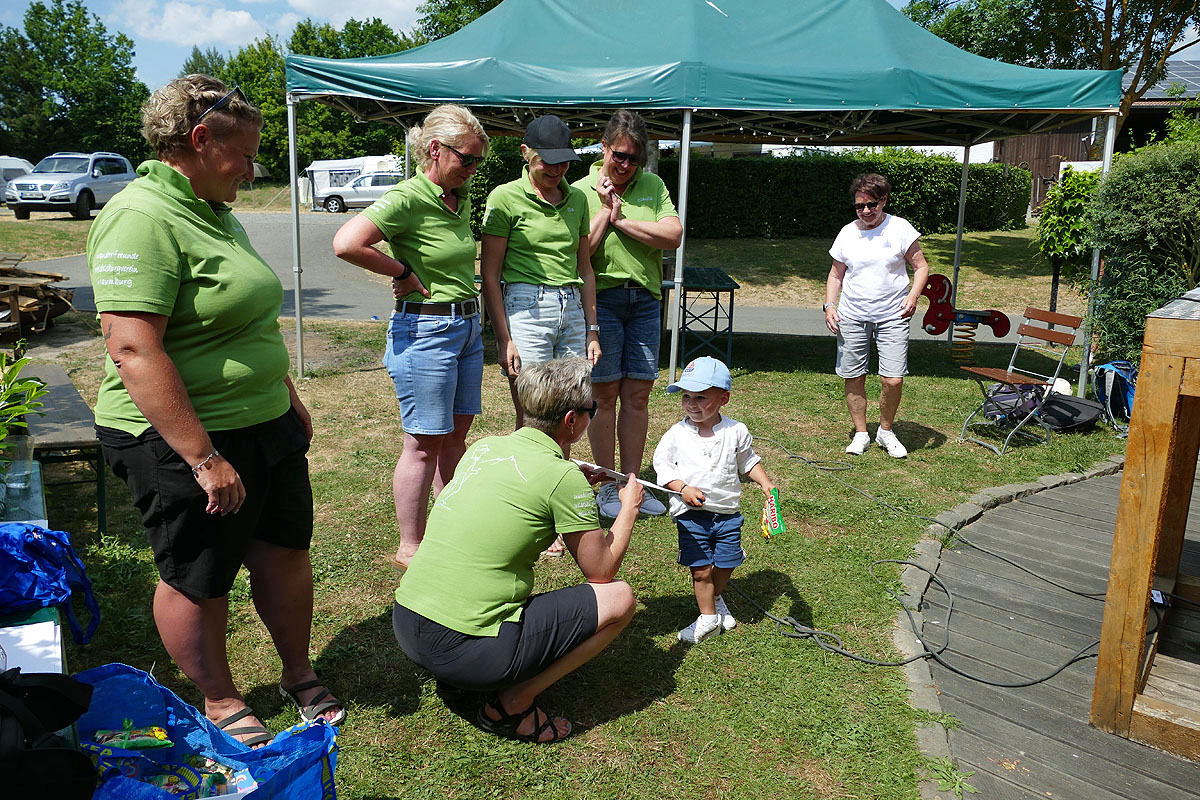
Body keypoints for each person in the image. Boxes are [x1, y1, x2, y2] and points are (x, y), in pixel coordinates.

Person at [87, 74, 343, 747]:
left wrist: (286, 397)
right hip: (183, 437)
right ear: (200, 141)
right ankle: (221, 696)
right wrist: (202, 456)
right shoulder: (142, 215)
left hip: (265, 424)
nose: (254, 169)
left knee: (285, 550)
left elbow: (245, 321)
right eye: (246, 154)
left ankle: (297, 671)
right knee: (199, 575)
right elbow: (133, 347)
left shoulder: (216, 210)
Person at [391, 358, 641, 744]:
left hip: (407, 625)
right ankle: (513, 704)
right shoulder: (562, 477)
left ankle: (463, 680)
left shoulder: (484, 447)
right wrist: (628, 509)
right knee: (620, 597)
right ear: (572, 421)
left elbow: (523, 485)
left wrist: (570, 477)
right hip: (464, 649)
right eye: (591, 410)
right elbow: (601, 571)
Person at [332, 104, 489, 569]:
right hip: (427, 330)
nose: (473, 169)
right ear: (435, 151)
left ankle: (450, 527)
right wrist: (400, 269)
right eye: (468, 159)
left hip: (465, 329)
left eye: (478, 160)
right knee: (423, 442)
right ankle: (411, 546)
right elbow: (347, 242)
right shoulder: (408, 196)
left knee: (455, 436)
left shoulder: (453, 200)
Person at [573, 110, 682, 519]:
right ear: (604, 147)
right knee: (602, 396)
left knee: (637, 395)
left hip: (646, 303)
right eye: (619, 155)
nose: (625, 166)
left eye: (634, 159)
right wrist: (605, 211)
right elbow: (583, 251)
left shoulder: (652, 184)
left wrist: (622, 219)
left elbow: (672, 235)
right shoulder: (580, 188)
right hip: (603, 301)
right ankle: (605, 484)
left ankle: (631, 483)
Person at [480, 114, 601, 429]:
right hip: (526, 307)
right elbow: (490, 276)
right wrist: (504, 339)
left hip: (572, 308)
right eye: (547, 161)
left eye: (563, 162)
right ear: (525, 152)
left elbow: (585, 269)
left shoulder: (577, 199)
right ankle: (529, 478)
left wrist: (592, 330)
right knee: (533, 410)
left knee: (572, 412)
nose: (556, 169)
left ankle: (558, 477)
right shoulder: (504, 198)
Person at [652, 357, 776, 644]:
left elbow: (748, 462)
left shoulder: (736, 431)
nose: (691, 404)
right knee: (701, 570)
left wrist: (766, 483)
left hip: (727, 513)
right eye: (686, 397)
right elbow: (662, 466)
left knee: (726, 563)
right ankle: (708, 618)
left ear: (724, 399)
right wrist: (681, 487)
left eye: (700, 398)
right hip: (691, 514)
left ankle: (716, 597)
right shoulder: (677, 434)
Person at [823, 173, 931, 459]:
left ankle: (885, 430)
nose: (866, 211)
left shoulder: (900, 229)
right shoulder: (847, 232)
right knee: (853, 374)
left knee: (893, 379)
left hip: (893, 315)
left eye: (872, 204)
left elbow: (921, 267)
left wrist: (913, 296)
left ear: (884, 200)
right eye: (860, 206)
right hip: (853, 314)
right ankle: (861, 434)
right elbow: (836, 273)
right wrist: (829, 305)